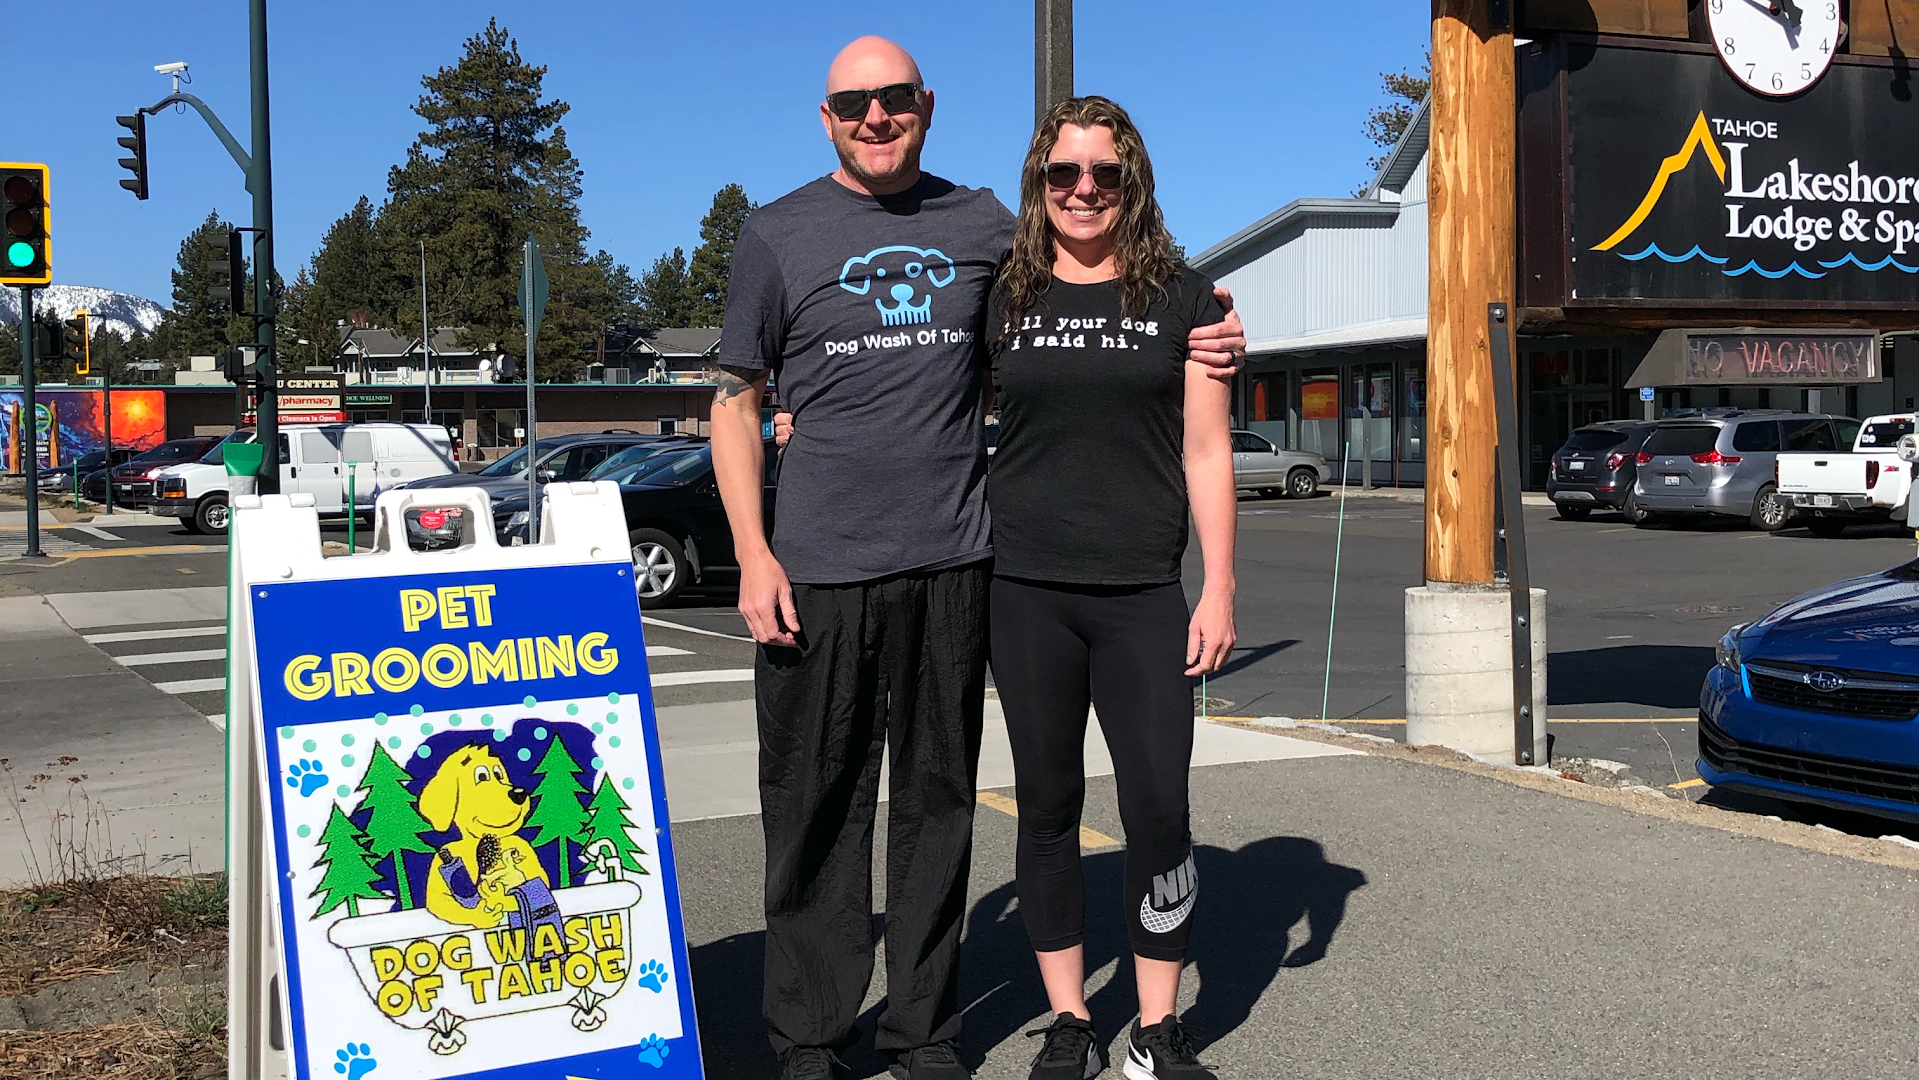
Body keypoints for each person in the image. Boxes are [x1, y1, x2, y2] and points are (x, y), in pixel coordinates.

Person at [709, 38, 1245, 1080]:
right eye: (853, 103)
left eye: (893, 98)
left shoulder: (984, 228)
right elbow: (736, 401)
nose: (874, 116)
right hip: (819, 570)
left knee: (937, 809)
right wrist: (751, 553)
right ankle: (810, 1038)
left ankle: (924, 1032)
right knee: (815, 811)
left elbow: (1116, 302)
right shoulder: (774, 234)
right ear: (826, 117)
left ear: (925, 105)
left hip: (958, 562)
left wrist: (1220, 334)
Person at [985, 97, 1235, 1080]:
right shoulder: (1002, 296)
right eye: (1064, 172)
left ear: (1132, 183)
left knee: (1160, 809)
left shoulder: (1183, 299)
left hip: (1140, 593)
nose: (1082, 189)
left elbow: (1206, 450)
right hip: (1025, 590)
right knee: (1047, 805)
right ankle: (1068, 1020)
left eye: (1104, 173)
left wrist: (1218, 586)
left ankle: (1155, 1029)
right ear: (1038, 182)